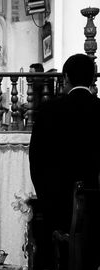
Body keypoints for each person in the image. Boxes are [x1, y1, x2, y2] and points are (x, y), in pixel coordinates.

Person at [29, 53, 100, 236]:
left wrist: (46, 204)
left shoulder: (49, 110)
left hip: (58, 202)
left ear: (66, 77)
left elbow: (36, 160)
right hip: (96, 204)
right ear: (92, 78)